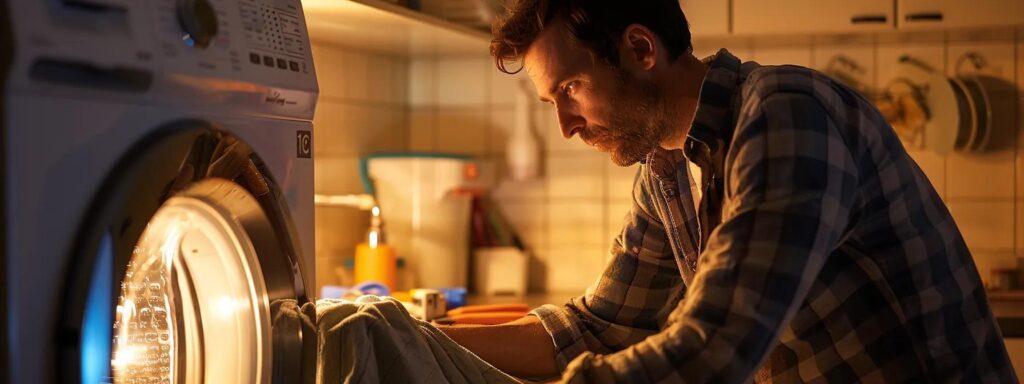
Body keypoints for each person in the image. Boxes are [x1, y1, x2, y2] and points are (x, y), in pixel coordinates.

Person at [439, 0, 1018, 382]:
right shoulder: (666, 168)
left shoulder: (787, 115)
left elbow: (717, 347)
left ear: (640, 50)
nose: (566, 126)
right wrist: (417, 339)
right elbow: (601, 327)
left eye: (570, 88)